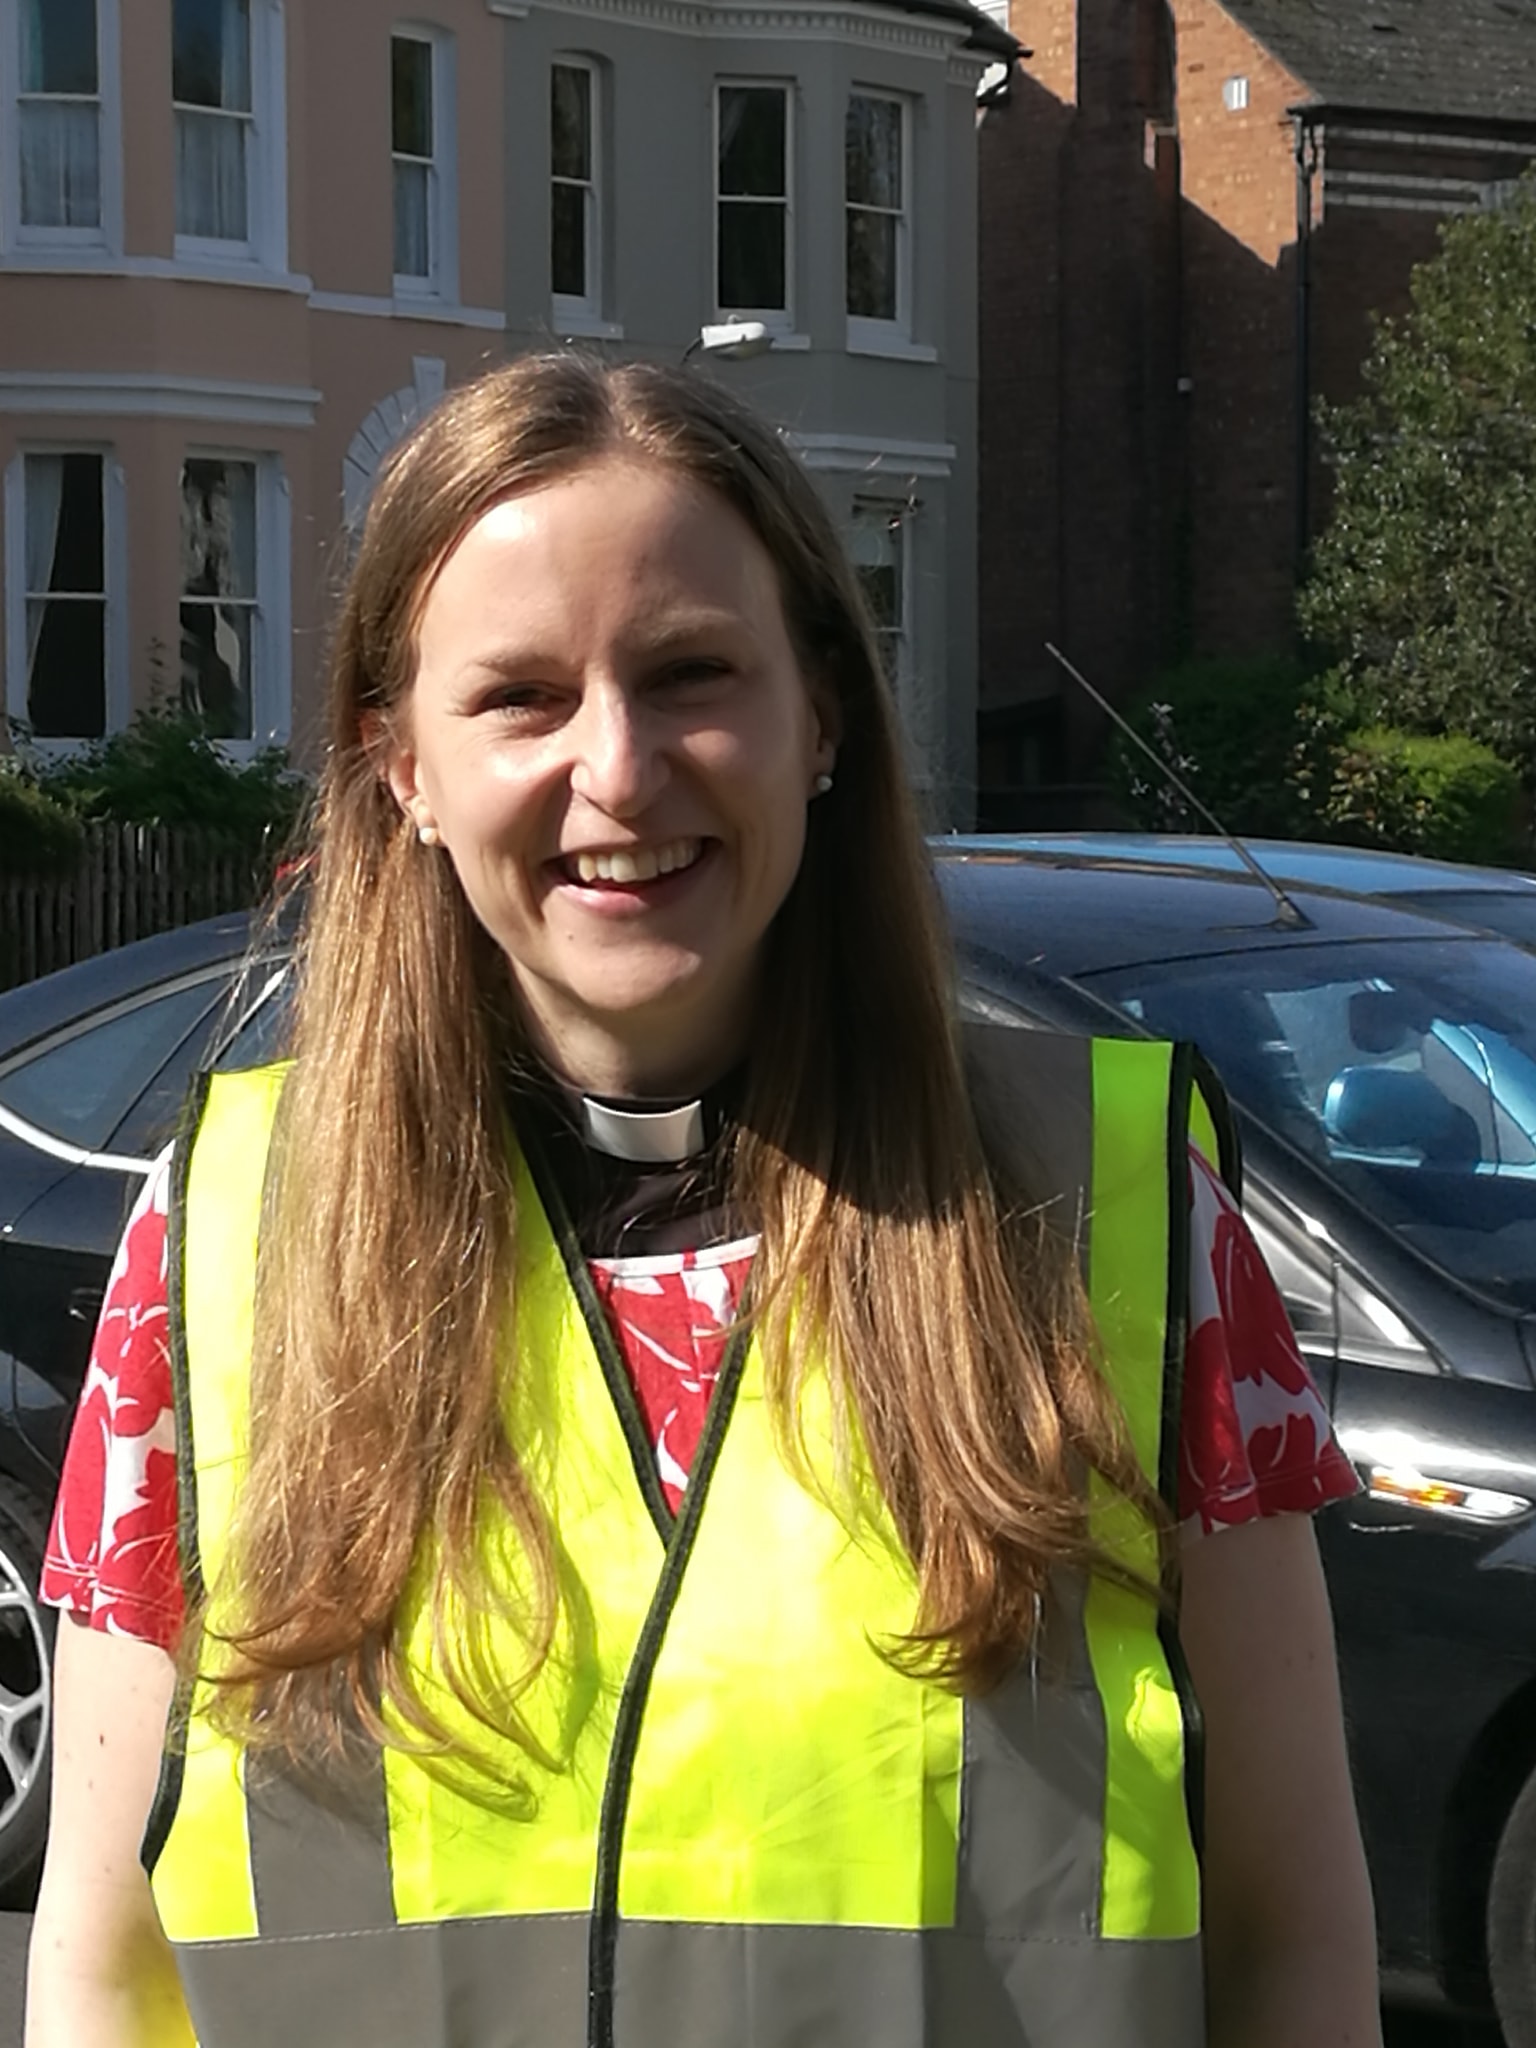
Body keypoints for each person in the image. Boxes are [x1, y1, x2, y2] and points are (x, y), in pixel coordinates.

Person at [25, 355, 1380, 2048]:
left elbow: (1295, 1941)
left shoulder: (1111, 1209)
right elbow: (101, 1955)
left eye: (690, 674)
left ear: (821, 714)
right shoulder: (227, 1239)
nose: (619, 769)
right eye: (519, 697)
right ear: (404, 771)